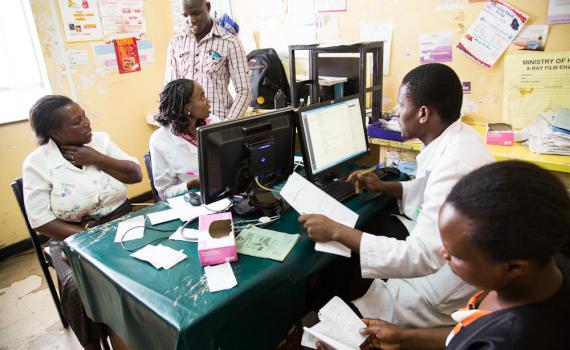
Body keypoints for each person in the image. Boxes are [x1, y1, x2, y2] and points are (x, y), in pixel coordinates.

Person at [300, 63, 495, 327]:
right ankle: (330, 296)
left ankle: (337, 320)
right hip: (446, 249)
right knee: (375, 227)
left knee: (346, 299)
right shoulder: (457, 138)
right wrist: (384, 186)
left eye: (401, 106)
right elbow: (427, 188)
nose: (396, 113)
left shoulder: (457, 163)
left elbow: (421, 256)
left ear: (423, 113)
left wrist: (336, 231)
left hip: (442, 281)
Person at [349, 161, 570, 350]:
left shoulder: (512, 340)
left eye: (457, 256)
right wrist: (402, 337)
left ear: (513, 267)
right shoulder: (545, 268)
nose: (443, 253)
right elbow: (467, 332)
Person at [23, 95, 142, 349]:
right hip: (71, 237)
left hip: (122, 223)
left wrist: (96, 158)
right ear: (55, 132)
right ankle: (94, 343)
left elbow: (135, 174)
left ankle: (141, 330)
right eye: (78, 122)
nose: (88, 123)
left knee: (149, 267)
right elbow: (41, 220)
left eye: (85, 116)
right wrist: (86, 239)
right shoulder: (38, 163)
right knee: (78, 288)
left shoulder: (101, 141)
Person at [164, 0, 251, 120]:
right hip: (187, 126)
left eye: (196, 13)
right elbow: (171, 89)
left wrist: (227, 123)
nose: (191, 20)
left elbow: (244, 91)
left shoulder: (230, 43)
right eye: (186, 15)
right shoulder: (176, 42)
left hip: (219, 122)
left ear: (208, 7)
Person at [149, 78, 220, 200]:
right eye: (202, 98)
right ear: (186, 107)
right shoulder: (160, 140)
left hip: (224, 192)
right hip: (192, 201)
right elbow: (164, 192)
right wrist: (190, 184)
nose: (208, 102)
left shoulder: (214, 122)